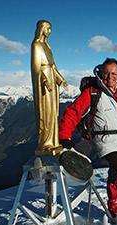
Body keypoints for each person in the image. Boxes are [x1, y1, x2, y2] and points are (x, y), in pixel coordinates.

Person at [59, 58, 117, 225]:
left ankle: (114, 205)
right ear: (99, 73)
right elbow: (73, 112)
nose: (110, 77)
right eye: (106, 73)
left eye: (114, 73)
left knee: (115, 172)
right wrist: (65, 136)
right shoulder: (93, 93)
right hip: (105, 141)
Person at [31, 20, 68, 155]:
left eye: (50, 28)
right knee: (46, 112)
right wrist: (44, 79)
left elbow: (53, 66)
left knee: (53, 112)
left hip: (52, 79)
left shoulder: (47, 46)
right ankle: (45, 142)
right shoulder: (36, 45)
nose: (49, 31)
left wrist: (61, 79)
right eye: (47, 28)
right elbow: (36, 67)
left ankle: (53, 141)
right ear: (41, 29)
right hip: (45, 81)